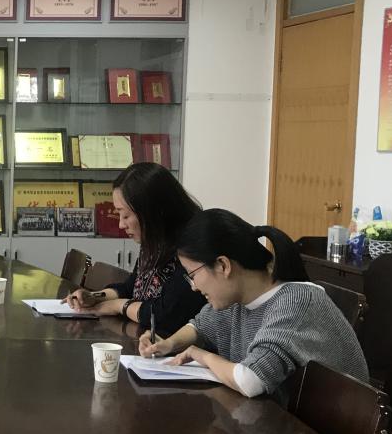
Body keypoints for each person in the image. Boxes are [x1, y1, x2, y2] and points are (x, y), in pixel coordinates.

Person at [139, 209, 369, 401]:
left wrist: (202, 356)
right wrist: (169, 344)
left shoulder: (296, 303)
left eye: (193, 275)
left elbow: (251, 380)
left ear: (223, 265)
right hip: (283, 424)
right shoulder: (239, 299)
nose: (194, 287)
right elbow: (200, 326)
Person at [65, 162, 204, 337]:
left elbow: (164, 315)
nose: (121, 224)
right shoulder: (154, 240)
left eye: (125, 215)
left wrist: (116, 306)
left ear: (151, 211)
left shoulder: (192, 246)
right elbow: (131, 288)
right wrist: (95, 297)